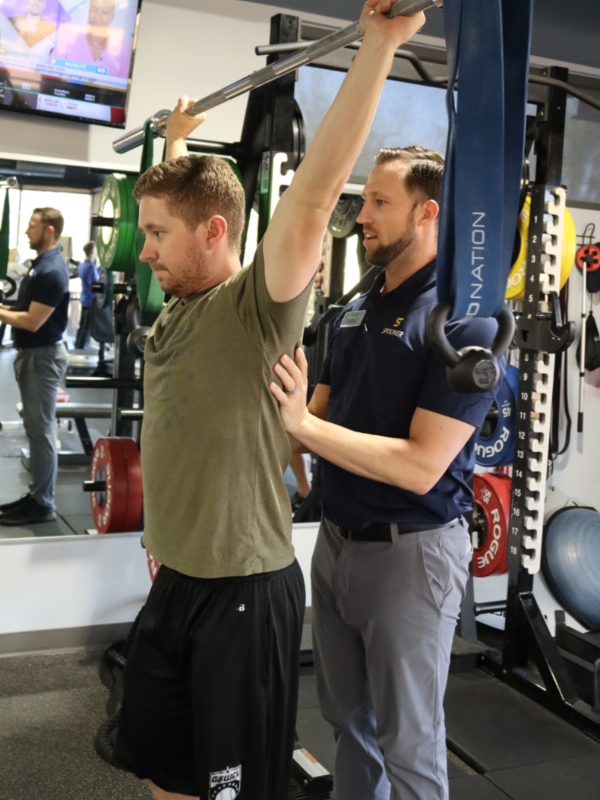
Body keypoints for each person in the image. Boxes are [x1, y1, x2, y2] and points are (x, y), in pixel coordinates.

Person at [110, 4, 424, 799]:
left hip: (242, 594)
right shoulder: (179, 303)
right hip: (177, 579)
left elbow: (315, 196)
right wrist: (177, 140)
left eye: (154, 236)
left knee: (234, 789)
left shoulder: (256, 309)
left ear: (215, 233)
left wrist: (378, 47)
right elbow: (184, 204)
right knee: (163, 768)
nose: (144, 251)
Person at [270, 145, 500, 800]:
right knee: (348, 722)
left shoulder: (464, 319)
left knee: (408, 740)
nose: (362, 214)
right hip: (338, 540)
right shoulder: (359, 300)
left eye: (379, 202)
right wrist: (288, 428)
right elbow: (319, 403)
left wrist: (304, 430)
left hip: (411, 553)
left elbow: (423, 465)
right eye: (364, 199)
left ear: (427, 213)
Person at [0, 208, 69, 526]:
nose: (27, 232)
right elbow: (23, 308)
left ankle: (43, 504)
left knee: (41, 431)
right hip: (33, 355)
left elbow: (32, 320)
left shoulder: (53, 270)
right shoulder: (38, 267)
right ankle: (37, 494)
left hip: (42, 356)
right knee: (34, 428)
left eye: (32, 226)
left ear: (49, 231)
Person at [50, 0, 131, 79]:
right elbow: (49, 75)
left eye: (105, 12)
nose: (97, 16)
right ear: (88, 12)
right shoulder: (68, 38)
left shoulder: (123, 51)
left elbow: (122, 90)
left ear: (112, 17)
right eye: (93, 10)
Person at [75, 241, 99, 350]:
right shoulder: (90, 267)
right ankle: (80, 348)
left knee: (82, 326)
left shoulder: (82, 265)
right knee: (86, 326)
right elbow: (93, 285)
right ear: (93, 252)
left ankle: (78, 345)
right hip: (90, 300)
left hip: (84, 298)